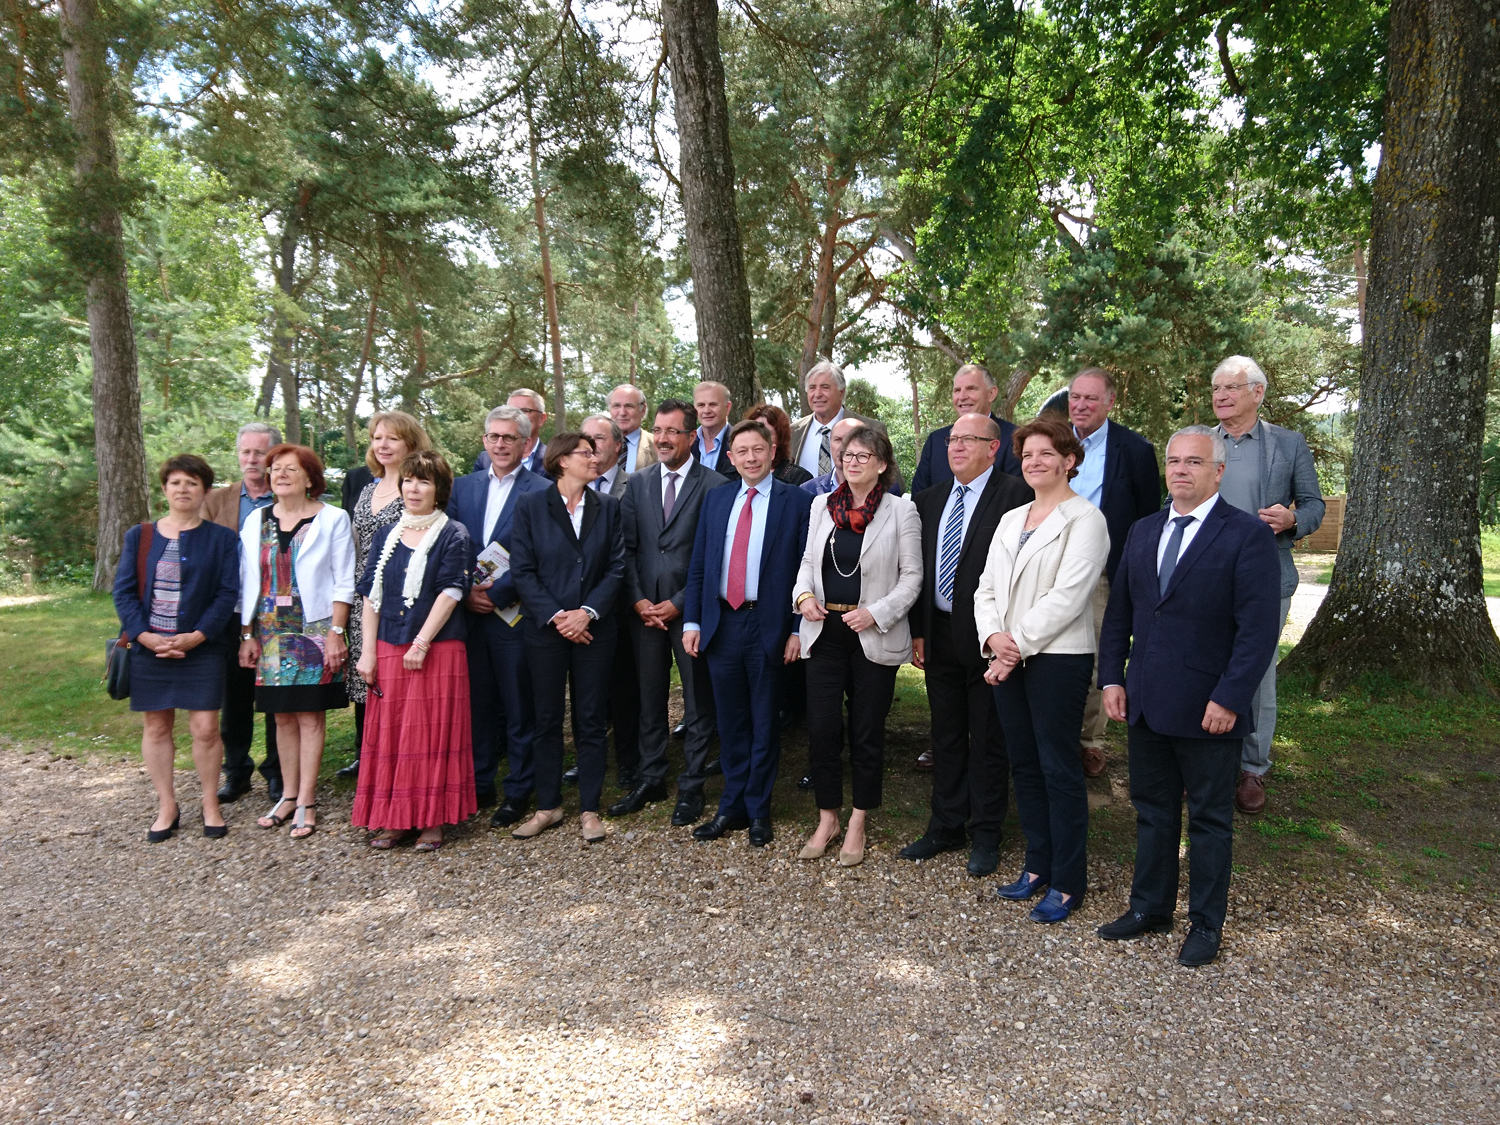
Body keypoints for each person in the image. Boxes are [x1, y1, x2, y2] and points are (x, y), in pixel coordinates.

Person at [1096, 426, 1281, 966]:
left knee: (1208, 819)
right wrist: (1112, 677)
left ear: (1217, 471)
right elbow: (1122, 614)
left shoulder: (1245, 535)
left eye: (1193, 462)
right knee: (1152, 812)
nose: (1180, 470)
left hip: (1209, 709)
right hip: (1146, 701)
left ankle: (1205, 923)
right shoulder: (1143, 530)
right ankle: (1149, 907)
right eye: (1174, 461)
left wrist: (1229, 697)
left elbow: (1257, 631)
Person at [974, 418, 1109, 924]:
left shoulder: (1085, 520)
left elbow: (1069, 598)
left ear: (1069, 459)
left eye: (1046, 454)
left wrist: (1014, 648)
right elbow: (985, 588)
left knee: (1058, 767)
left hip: (1057, 659)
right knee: (1024, 764)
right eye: (1027, 455)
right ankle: (1037, 865)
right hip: (1007, 654)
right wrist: (993, 638)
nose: (1035, 462)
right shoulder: (1012, 519)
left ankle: (1070, 880)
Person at [903, 415, 1033, 872]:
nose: (955, 447)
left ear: (994, 448)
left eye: (968, 440)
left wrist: (1007, 638)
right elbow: (918, 571)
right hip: (937, 634)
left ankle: (986, 832)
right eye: (952, 440)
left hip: (988, 639)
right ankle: (946, 825)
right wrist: (918, 630)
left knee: (989, 738)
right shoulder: (929, 499)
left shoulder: (1016, 496)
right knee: (946, 734)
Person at [793, 426, 922, 866]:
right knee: (824, 729)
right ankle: (827, 816)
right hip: (823, 631)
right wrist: (804, 597)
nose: (852, 462)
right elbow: (808, 562)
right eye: (847, 455)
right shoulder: (820, 506)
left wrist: (877, 613)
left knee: (867, 733)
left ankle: (858, 820)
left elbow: (913, 579)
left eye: (863, 456)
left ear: (882, 464)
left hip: (873, 633)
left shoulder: (901, 511)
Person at [684, 419, 814, 845]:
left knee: (763, 721)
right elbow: (701, 565)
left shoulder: (796, 502)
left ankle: (759, 810)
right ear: (730, 456)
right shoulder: (717, 499)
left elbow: (805, 569)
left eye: (759, 449)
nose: (751, 458)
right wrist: (693, 620)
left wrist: (797, 628)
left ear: (773, 452)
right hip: (721, 623)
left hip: (769, 623)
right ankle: (731, 807)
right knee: (731, 721)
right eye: (742, 451)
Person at [1209, 355, 1324, 815]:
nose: (1220, 395)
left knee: (1256, 673)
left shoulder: (1288, 443)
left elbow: (1314, 503)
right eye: (1215, 388)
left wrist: (1294, 518)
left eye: (1230, 388)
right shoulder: (1201, 441)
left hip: (1266, 576)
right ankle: (1208, 761)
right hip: (1206, 574)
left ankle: (1252, 768)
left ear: (1257, 393)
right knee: (1203, 663)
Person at [114, 455, 241, 842]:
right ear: (164, 489)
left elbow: (226, 593)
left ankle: (209, 802)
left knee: (204, 728)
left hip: (200, 648)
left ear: (205, 490)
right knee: (156, 726)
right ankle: (166, 804)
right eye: (175, 483)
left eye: (191, 483)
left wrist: (199, 635)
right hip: (150, 649)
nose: (183, 489)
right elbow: (122, 591)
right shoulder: (141, 535)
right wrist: (144, 636)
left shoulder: (222, 538)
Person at [354, 451, 475, 852]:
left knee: (429, 734)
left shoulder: (453, 532)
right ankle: (394, 821)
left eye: (423, 481)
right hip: (387, 643)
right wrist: (367, 653)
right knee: (392, 736)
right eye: (408, 480)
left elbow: (452, 591)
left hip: (437, 647)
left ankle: (430, 822)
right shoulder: (386, 534)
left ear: (439, 489)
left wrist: (421, 642)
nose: (413, 488)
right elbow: (372, 596)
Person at [508, 432, 626, 843]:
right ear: (561, 460)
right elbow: (522, 569)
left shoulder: (608, 507)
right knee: (545, 719)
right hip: (546, 631)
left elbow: (617, 566)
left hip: (595, 630)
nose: (594, 459)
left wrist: (587, 613)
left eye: (595, 453)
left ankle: (590, 808)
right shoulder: (530, 506)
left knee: (591, 719)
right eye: (586, 453)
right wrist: (559, 616)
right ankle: (548, 805)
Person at [614, 398, 727, 822]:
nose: (662, 438)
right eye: (658, 431)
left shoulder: (715, 485)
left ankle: (692, 786)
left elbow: (716, 554)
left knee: (698, 701)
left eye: (672, 431)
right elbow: (626, 548)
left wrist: (679, 603)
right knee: (649, 699)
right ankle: (652, 776)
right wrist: (639, 599)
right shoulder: (637, 483)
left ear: (691, 436)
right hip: (643, 610)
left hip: (691, 610)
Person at [238, 445, 355, 840]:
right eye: (276, 469)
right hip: (269, 629)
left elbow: (344, 580)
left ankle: (307, 799)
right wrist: (247, 634)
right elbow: (246, 582)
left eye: (291, 469)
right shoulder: (256, 521)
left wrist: (337, 633)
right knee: (281, 717)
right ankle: (287, 796)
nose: (280, 474)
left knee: (309, 716)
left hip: (315, 629)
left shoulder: (332, 518)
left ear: (310, 478)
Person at [447, 405, 551, 823]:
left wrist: (498, 594)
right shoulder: (462, 488)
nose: (501, 444)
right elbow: (448, 544)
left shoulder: (543, 490)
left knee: (518, 705)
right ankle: (479, 783)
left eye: (510, 438)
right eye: (494, 436)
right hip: (468, 614)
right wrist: (466, 590)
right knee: (478, 705)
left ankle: (519, 789)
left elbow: (541, 555)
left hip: (514, 614)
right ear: (484, 440)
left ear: (526, 443)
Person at [1067, 367, 1161, 779]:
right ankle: (1051, 734)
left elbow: (1145, 519)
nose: (1081, 405)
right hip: (1047, 568)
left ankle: (1089, 741)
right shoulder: (1050, 443)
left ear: (1110, 402)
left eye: (1091, 398)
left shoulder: (1135, 450)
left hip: (1103, 569)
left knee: (1095, 656)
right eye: (1075, 397)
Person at [341, 410, 432, 782]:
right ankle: (368, 758)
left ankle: (402, 763)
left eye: (392, 438)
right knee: (367, 679)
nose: (383, 445)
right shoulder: (365, 487)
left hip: (403, 599)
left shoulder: (419, 487)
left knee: (399, 684)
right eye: (377, 438)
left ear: (410, 443)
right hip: (365, 597)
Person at [202, 422, 282, 805]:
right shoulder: (216, 501)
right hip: (230, 611)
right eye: (245, 452)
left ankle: (277, 772)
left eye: (259, 453)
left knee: (275, 692)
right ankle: (236, 771)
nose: (252, 460)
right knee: (233, 696)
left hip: (278, 610)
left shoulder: (287, 495)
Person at [581, 413, 640, 790]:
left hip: (620, 606)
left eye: (599, 439)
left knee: (623, 689)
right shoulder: (564, 490)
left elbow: (632, 550)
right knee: (589, 695)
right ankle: (589, 761)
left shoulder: (633, 486)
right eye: (585, 439)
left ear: (619, 446)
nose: (591, 447)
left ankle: (629, 762)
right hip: (575, 611)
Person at [910, 364, 1023, 493]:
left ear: (991, 394)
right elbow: (919, 498)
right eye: (957, 390)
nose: (962, 397)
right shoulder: (936, 441)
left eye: (971, 388)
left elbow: (1018, 497)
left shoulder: (1014, 438)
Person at [802, 417, 905, 497]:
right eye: (837, 439)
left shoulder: (890, 490)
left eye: (850, 440)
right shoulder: (808, 490)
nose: (843, 447)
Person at [472, 388, 551, 476]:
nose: (517, 417)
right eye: (511, 411)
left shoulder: (554, 460)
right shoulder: (485, 459)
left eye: (525, 411)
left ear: (541, 419)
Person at [746, 403, 814, 487]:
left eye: (767, 433)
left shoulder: (799, 478)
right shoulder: (737, 473)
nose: (759, 439)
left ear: (780, 437)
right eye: (755, 432)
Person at [691, 381, 738, 483]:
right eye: (701, 405)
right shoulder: (686, 444)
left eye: (713, 404)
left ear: (727, 408)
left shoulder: (740, 443)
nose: (706, 410)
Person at [608, 383, 658, 473]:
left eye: (629, 406)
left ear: (643, 410)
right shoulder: (595, 444)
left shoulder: (658, 446)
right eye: (616, 406)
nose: (622, 413)